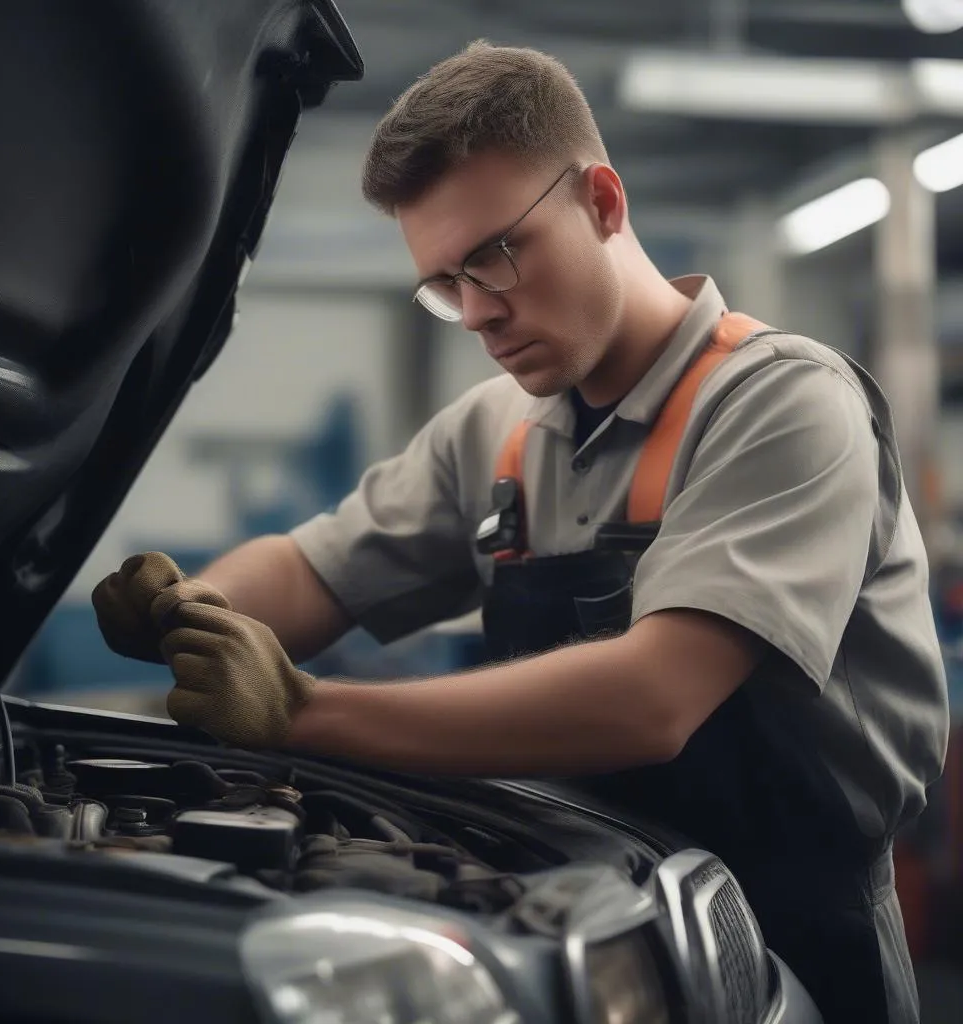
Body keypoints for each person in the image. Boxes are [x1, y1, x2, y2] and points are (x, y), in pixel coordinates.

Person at [92, 40, 948, 1023]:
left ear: (603, 202)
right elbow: (313, 569)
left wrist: (302, 711)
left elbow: (652, 697)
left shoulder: (780, 402)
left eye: (497, 253)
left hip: (795, 929)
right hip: (586, 892)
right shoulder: (495, 432)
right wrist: (192, 609)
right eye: (445, 281)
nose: (477, 312)